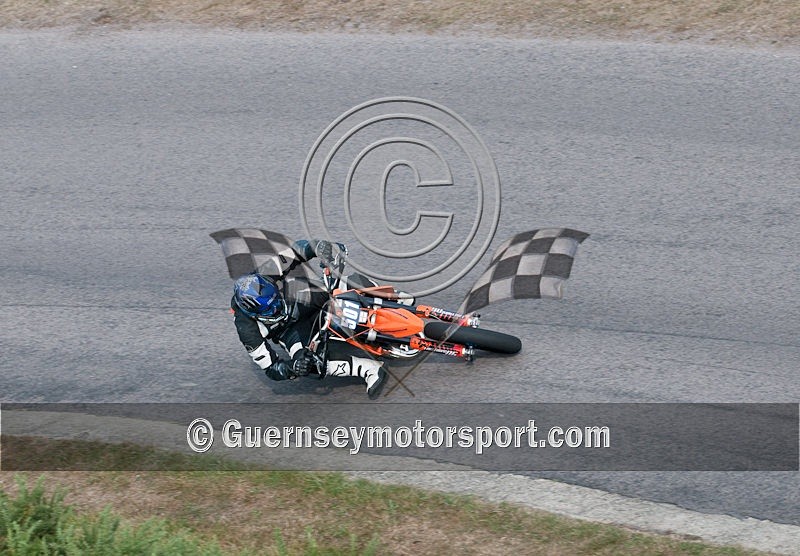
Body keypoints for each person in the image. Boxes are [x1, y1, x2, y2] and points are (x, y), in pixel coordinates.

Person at [231, 239, 390, 399]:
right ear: (253, 314)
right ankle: (369, 369)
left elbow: (295, 251)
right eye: (269, 309)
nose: (276, 308)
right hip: (290, 332)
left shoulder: (263, 276)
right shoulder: (246, 329)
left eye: (275, 300)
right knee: (312, 366)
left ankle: (388, 297)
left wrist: (317, 248)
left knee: (335, 287)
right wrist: (293, 368)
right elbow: (272, 369)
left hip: (295, 298)